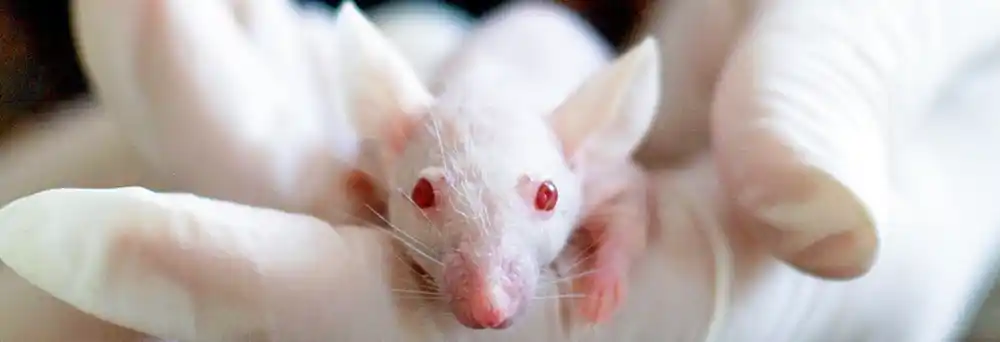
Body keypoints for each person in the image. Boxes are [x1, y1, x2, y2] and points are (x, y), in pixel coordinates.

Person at [3, 0, 1000, 340]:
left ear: (586, 148)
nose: (485, 299)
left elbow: (626, 196)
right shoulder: (387, 137)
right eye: (423, 199)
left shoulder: (597, 152)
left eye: (542, 204)